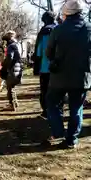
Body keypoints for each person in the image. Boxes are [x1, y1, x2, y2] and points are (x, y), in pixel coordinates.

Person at [45, 0, 91, 149]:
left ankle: (58, 131)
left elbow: (48, 52)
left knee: (51, 102)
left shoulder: (58, 30)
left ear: (66, 13)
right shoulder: (89, 29)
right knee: (76, 108)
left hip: (59, 76)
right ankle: (71, 139)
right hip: (81, 76)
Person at [36, 11, 57, 118]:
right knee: (57, 91)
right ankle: (57, 111)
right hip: (59, 68)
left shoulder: (43, 32)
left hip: (45, 68)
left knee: (45, 91)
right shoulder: (60, 30)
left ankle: (46, 111)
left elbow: (39, 52)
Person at [1, 30, 22, 111]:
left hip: (12, 69)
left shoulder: (10, 46)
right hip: (18, 67)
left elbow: (10, 57)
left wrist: (4, 65)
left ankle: (12, 104)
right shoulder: (17, 44)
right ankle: (15, 103)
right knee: (12, 86)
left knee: (10, 87)